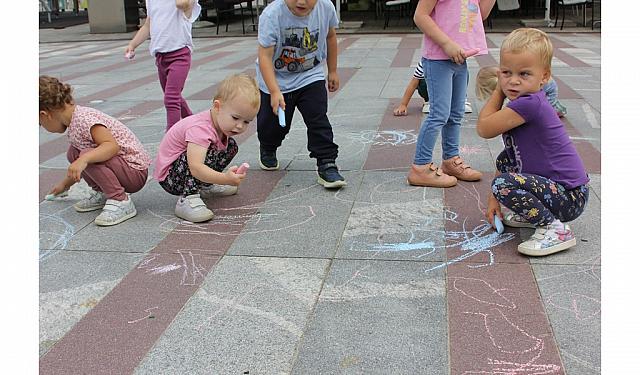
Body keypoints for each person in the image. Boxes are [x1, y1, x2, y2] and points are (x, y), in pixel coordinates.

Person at [477, 28, 589, 256]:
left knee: (503, 184)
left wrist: (499, 89)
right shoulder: (529, 101)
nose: (513, 81)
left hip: (569, 197)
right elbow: (505, 162)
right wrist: (493, 203)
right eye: (506, 72)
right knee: (506, 160)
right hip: (562, 192)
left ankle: (555, 230)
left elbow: (484, 128)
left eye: (524, 74)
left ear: (544, 77)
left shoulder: (529, 104)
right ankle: (537, 214)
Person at [255, 0, 346, 189]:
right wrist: (274, 91)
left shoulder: (325, 8)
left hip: (309, 75)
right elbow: (264, 56)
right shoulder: (272, 15)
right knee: (274, 126)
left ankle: (326, 162)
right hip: (276, 79)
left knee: (317, 118)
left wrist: (333, 70)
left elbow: (330, 37)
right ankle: (268, 147)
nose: (301, 2)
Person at [39, 76, 151, 226]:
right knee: (75, 152)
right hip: (123, 168)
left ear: (44, 115)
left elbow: (111, 146)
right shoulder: (74, 121)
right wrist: (65, 185)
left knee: (86, 155)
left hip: (134, 172)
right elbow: (80, 160)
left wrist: (83, 159)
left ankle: (120, 200)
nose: (41, 126)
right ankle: (103, 192)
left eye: (39, 123)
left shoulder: (84, 119)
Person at [407, 0, 495, 188]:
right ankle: (420, 167)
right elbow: (420, 16)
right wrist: (447, 43)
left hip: (460, 58)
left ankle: (450, 160)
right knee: (439, 114)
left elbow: (479, 13)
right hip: (438, 58)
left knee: (455, 114)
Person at [153, 74, 260, 223]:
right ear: (217, 107)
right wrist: (224, 179)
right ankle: (187, 199)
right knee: (207, 151)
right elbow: (196, 167)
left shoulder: (219, 125)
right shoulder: (201, 129)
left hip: (183, 170)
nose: (240, 126)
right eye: (235, 118)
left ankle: (205, 185)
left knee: (230, 146)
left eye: (247, 121)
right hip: (171, 177)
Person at [125, 0, 202, 131]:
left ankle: (171, 136)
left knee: (171, 98)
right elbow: (147, 26)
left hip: (180, 55)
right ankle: (193, 124)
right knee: (174, 96)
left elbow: (182, 4)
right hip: (161, 57)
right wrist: (133, 44)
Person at [475, 65, 568, 117]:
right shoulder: (511, 80)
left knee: (545, 111)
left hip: (547, 89)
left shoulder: (514, 87)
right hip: (544, 85)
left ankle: (557, 108)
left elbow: (485, 127)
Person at [393, 59, 474, 116]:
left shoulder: (455, 59)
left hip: (449, 87)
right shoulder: (425, 63)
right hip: (432, 89)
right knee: (422, 80)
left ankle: (459, 100)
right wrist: (403, 105)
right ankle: (430, 101)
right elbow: (413, 84)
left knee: (462, 71)